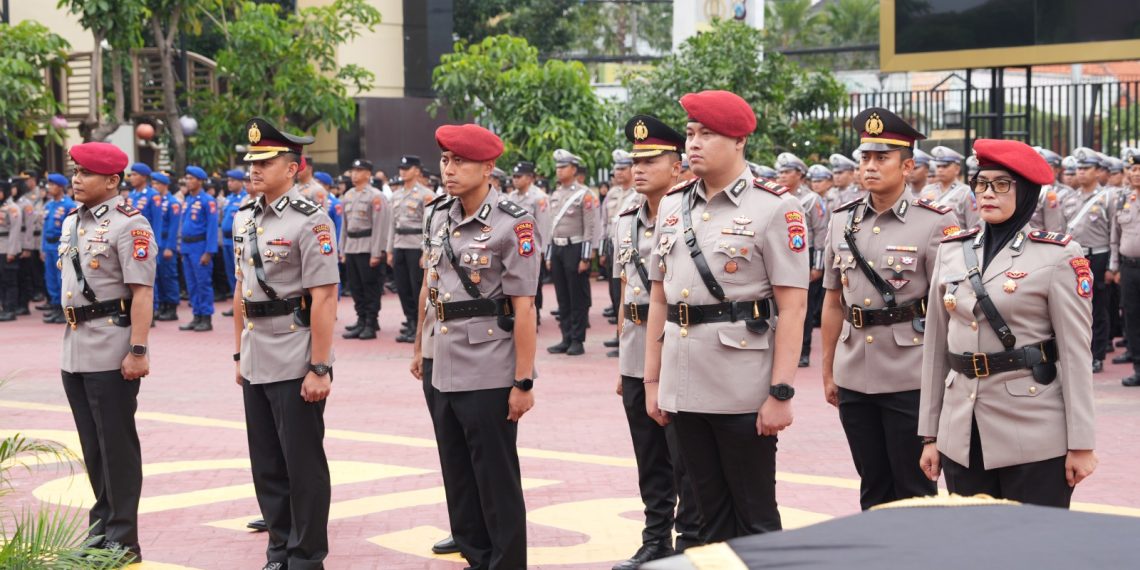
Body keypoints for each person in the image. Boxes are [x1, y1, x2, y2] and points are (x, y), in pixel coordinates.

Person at [643, 90, 808, 543]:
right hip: (683, 380)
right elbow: (660, 298)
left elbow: (793, 308)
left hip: (742, 385)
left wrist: (781, 391)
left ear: (739, 141)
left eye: (707, 134)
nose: (693, 143)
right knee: (704, 515)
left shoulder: (775, 207)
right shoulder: (673, 204)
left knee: (755, 518)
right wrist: (653, 381)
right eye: (691, 134)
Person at [919, 138, 1098, 508]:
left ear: (1028, 192)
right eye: (981, 184)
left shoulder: (1058, 255)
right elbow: (936, 348)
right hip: (962, 429)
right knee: (974, 548)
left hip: (1032, 428)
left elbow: (1075, 353)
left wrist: (1081, 444)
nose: (988, 193)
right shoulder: (953, 249)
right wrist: (930, 434)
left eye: (1002, 185)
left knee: (1034, 550)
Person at [413, 123, 539, 569]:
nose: (449, 169)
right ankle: (475, 554)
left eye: (460, 161)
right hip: (440, 357)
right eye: (446, 160)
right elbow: (431, 286)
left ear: (488, 167)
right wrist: (418, 348)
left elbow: (525, 308)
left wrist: (523, 380)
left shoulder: (513, 220)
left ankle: (505, 562)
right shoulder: (438, 213)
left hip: (489, 362)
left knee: (494, 476)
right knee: (457, 471)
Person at [820, 107, 956, 511]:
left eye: (882, 158)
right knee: (872, 484)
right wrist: (828, 369)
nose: (870, 167)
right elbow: (832, 300)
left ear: (908, 166)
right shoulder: (843, 221)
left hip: (909, 373)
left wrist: (944, 381)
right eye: (865, 158)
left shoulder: (935, 222)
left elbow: (949, 308)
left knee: (913, 487)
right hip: (854, 372)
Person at [230, 118, 337, 570]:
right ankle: (278, 549)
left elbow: (325, 296)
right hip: (257, 351)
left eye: (265, 161)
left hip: (295, 352)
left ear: (292, 169)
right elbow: (241, 288)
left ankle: (306, 555)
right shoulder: (244, 216)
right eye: (251, 161)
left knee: (302, 464)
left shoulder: (311, 221)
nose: (253, 169)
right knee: (267, 463)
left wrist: (319, 366)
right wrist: (238, 352)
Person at [610, 114, 700, 569]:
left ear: (677, 164)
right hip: (636, 351)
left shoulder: (691, 213)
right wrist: (623, 362)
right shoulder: (625, 217)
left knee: (686, 456)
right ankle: (655, 538)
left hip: (680, 349)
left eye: (651, 159)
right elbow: (627, 289)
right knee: (649, 457)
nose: (638, 168)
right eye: (635, 160)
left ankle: (691, 540)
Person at [60, 141, 156, 562]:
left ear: (112, 181)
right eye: (75, 172)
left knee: (116, 445)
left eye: (86, 174)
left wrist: (137, 349)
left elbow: (141, 293)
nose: (77, 180)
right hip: (76, 346)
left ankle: (124, 538)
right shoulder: (71, 223)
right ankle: (100, 529)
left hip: (111, 344)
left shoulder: (129, 226)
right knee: (93, 447)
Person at [546, 148, 601, 356]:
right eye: (558, 167)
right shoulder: (556, 194)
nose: (559, 171)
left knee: (577, 295)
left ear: (573, 169)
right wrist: (550, 254)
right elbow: (551, 226)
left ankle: (577, 339)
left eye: (564, 167)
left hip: (575, 248)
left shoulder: (584, 194)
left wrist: (586, 256)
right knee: (562, 296)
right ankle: (565, 337)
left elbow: (590, 227)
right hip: (558, 248)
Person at [1068, 146, 1117, 373]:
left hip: (1098, 256)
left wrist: (1111, 265)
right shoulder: (1070, 197)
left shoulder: (1108, 197)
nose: (1081, 172)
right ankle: (1080, 353)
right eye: (1079, 168)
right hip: (1075, 257)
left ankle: (1097, 355)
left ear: (1098, 172)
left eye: (1086, 168)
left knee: (1098, 308)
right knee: (1075, 308)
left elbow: (1114, 233)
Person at [777, 152, 828, 368]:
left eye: (787, 172)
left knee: (802, 307)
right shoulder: (776, 196)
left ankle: (803, 350)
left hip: (805, 256)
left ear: (800, 174)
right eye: (780, 172)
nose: (782, 176)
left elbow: (820, 233)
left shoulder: (811, 199)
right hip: (780, 255)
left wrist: (817, 266)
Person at [339, 158, 390, 340]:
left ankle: (370, 322)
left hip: (368, 247)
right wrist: (342, 250)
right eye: (353, 171)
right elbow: (344, 226)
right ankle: (361, 320)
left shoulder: (376, 196)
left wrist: (377, 253)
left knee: (370, 287)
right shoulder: (348, 195)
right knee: (355, 287)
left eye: (359, 171)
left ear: (368, 174)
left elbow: (380, 227)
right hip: (352, 247)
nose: (354, 174)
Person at [388, 155, 436, 343]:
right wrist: (389, 249)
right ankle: (409, 321)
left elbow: (430, 225)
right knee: (402, 286)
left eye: (407, 168)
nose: (402, 171)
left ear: (417, 170)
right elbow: (391, 224)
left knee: (417, 286)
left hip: (416, 245)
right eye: (401, 167)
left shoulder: (426, 195)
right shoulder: (396, 195)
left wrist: (426, 250)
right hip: (400, 243)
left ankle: (418, 323)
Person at [506, 161, 550, 326]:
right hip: (512, 249)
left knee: (533, 286)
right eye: (514, 176)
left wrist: (543, 252)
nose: (515, 180)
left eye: (519, 176)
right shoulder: (511, 197)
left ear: (530, 178)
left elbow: (544, 227)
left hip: (531, 250)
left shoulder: (539, 198)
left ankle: (534, 315)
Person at [178, 166, 217, 332]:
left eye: (191, 178)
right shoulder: (188, 200)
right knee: (191, 284)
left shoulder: (207, 200)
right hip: (187, 246)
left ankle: (206, 318)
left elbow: (212, 227)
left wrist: (208, 251)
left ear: (200, 181)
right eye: (186, 178)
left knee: (203, 283)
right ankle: (197, 316)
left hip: (200, 246)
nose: (188, 181)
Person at [1114, 149, 1140, 386]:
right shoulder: (1123, 199)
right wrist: (1115, 266)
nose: (1136, 173)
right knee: (1131, 316)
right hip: (1129, 267)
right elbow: (1115, 237)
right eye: (1133, 169)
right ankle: (1138, 367)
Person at [40, 173, 76, 325]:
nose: (49, 188)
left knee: (62, 279)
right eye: (49, 185)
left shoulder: (68, 205)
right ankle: (55, 306)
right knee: (51, 279)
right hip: (48, 246)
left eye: (53, 185)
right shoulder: (48, 205)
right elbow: (44, 228)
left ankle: (65, 310)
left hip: (61, 246)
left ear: (60, 187)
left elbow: (72, 229)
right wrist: (42, 248)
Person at [152, 172, 183, 322]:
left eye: (157, 183)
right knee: (158, 276)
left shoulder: (173, 202)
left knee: (169, 275)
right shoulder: (158, 201)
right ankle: (162, 305)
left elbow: (173, 227)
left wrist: (170, 247)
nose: (154, 186)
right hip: (157, 242)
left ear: (165, 185)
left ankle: (171, 306)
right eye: (153, 183)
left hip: (167, 242)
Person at [220, 169, 248, 318]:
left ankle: (243, 302)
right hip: (226, 240)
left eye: (232, 181)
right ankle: (235, 301)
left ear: (240, 182)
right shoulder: (228, 198)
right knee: (230, 272)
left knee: (240, 273)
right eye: (228, 181)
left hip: (237, 241)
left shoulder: (244, 198)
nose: (229, 184)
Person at [0, 178, 23, 321]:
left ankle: (11, 309)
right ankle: (4, 307)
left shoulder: (13, 207)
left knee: (10, 280)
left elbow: (15, 231)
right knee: (1, 280)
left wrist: (12, 252)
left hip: (8, 247)